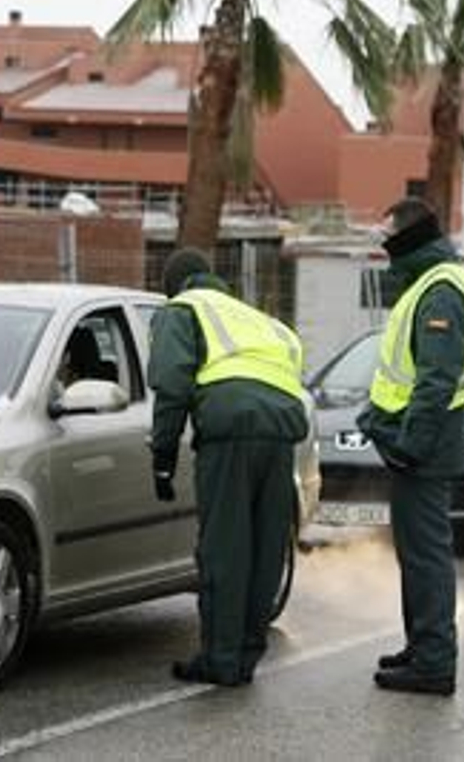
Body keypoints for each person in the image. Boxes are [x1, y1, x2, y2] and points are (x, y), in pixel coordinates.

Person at [148, 247, 309, 687]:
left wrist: (162, 458)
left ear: (174, 285)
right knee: (263, 548)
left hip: (230, 432)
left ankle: (220, 659)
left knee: (225, 547)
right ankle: (245, 657)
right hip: (281, 435)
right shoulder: (254, 318)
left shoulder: (182, 310)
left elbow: (171, 385)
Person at [356, 198, 464, 696]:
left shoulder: (441, 293)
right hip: (419, 445)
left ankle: (433, 662)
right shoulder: (428, 283)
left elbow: (436, 380)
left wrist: (410, 445)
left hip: (425, 450)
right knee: (416, 554)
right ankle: (422, 647)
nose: (382, 246)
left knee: (427, 556)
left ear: (408, 239)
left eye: (387, 236)